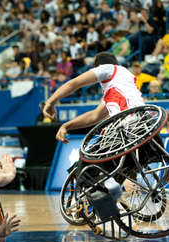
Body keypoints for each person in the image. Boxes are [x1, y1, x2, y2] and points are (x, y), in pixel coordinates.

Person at [43, 52, 145, 192]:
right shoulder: (123, 82)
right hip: (143, 123)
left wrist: (50, 102)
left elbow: (74, 83)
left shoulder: (108, 68)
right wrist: (66, 125)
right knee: (108, 165)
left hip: (125, 126)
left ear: (99, 66)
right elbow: (95, 116)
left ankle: (104, 208)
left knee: (83, 168)